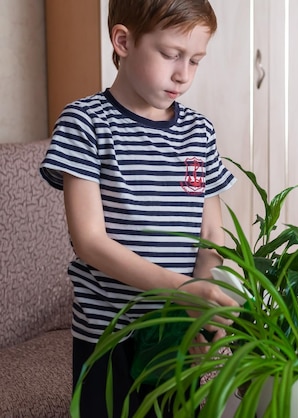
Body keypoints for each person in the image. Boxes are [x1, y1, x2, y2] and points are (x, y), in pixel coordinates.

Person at [39, 0, 237, 416]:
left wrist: (201, 301)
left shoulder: (199, 131)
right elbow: (90, 241)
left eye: (196, 60)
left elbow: (212, 236)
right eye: (170, 55)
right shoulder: (85, 123)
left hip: (176, 330)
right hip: (109, 336)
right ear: (123, 41)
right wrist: (185, 290)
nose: (183, 74)